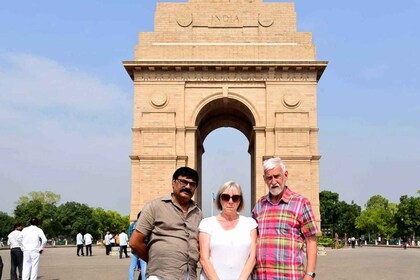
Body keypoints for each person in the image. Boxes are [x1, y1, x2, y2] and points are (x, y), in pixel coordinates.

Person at [129, 166, 203, 280]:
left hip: (189, 276)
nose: (188, 187)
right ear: (173, 182)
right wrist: (156, 260)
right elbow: (135, 242)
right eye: (183, 182)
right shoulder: (154, 207)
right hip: (160, 276)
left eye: (192, 184)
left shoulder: (198, 213)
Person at [252, 157, 319, 280]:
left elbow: (311, 240)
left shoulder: (301, 203)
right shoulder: (259, 205)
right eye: (269, 177)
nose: (273, 181)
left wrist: (309, 274)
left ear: (285, 174)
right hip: (262, 276)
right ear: (264, 179)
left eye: (277, 176)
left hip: (290, 276)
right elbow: (253, 239)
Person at [199, 180, 257, 280]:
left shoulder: (250, 224)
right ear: (219, 199)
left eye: (235, 198)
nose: (230, 201)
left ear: (240, 201)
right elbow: (204, 258)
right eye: (226, 197)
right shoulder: (207, 224)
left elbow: (252, 257)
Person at [128, 211, 147, 280]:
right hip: (141, 248)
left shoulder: (131, 225)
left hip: (133, 248)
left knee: (132, 266)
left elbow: (130, 237)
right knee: (144, 266)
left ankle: (131, 279)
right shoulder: (143, 225)